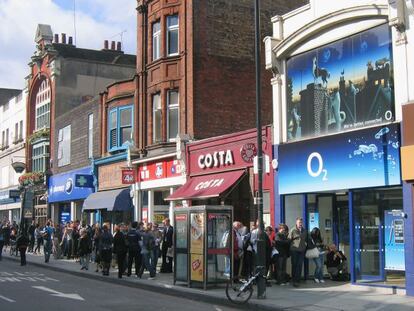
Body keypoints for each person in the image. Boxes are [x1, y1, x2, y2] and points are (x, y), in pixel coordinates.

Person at [288, 217, 307, 287]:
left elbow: (306, 239)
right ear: (296, 223)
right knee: (294, 265)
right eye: (299, 222)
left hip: (301, 250)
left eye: (301, 222)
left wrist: (305, 246)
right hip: (294, 250)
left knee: (299, 265)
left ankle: (297, 280)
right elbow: (289, 240)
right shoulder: (293, 230)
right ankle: (294, 280)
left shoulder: (304, 230)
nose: (300, 224)